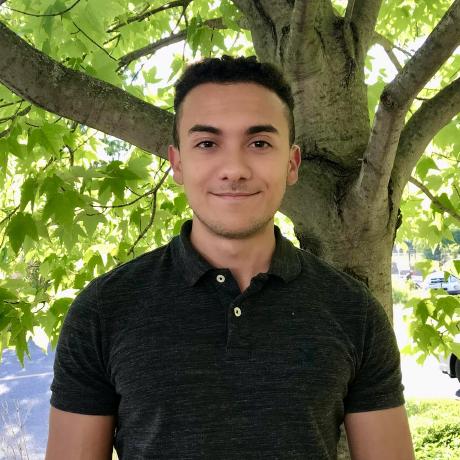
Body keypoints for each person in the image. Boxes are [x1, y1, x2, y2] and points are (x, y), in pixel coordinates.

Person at [46, 56, 415, 459]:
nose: (234, 169)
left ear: (291, 164)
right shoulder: (103, 311)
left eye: (259, 143)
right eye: (207, 144)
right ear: (178, 163)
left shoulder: (354, 312)